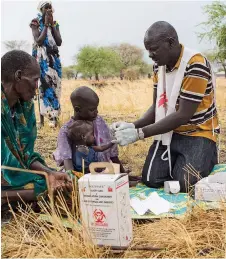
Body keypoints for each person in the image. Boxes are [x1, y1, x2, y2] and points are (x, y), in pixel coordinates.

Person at [111, 21, 219, 192]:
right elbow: (157, 108)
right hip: (171, 133)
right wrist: (133, 125)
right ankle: (184, 162)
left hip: (197, 133)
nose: (150, 55)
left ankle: (206, 156)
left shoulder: (195, 63)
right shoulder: (158, 66)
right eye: (148, 50)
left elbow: (183, 115)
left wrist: (139, 134)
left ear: (170, 43)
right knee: (150, 179)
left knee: (185, 184)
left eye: (153, 49)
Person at [1, 50, 71, 202]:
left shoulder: (25, 107)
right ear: (18, 76)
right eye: (35, 80)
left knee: (64, 180)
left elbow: (26, 155)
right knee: (45, 188)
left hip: (13, 175)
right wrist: (43, 185)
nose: (37, 87)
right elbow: (5, 165)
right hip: (4, 176)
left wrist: (49, 173)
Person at [53, 86, 126, 174]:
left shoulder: (99, 122)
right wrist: (75, 181)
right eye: (92, 109)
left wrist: (123, 175)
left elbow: (112, 153)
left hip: (100, 170)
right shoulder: (66, 131)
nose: (96, 112)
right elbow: (67, 160)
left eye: (96, 108)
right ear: (77, 109)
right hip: (78, 174)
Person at [30, 1, 62, 127]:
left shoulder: (55, 24)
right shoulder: (35, 23)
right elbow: (38, 41)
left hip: (53, 59)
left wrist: (52, 25)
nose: (48, 9)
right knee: (43, 86)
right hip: (41, 60)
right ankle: (43, 119)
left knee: (55, 87)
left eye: (50, 7)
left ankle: (54, 117)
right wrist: (45, 25)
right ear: (41, 9)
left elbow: (59, 41)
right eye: (45, 7)